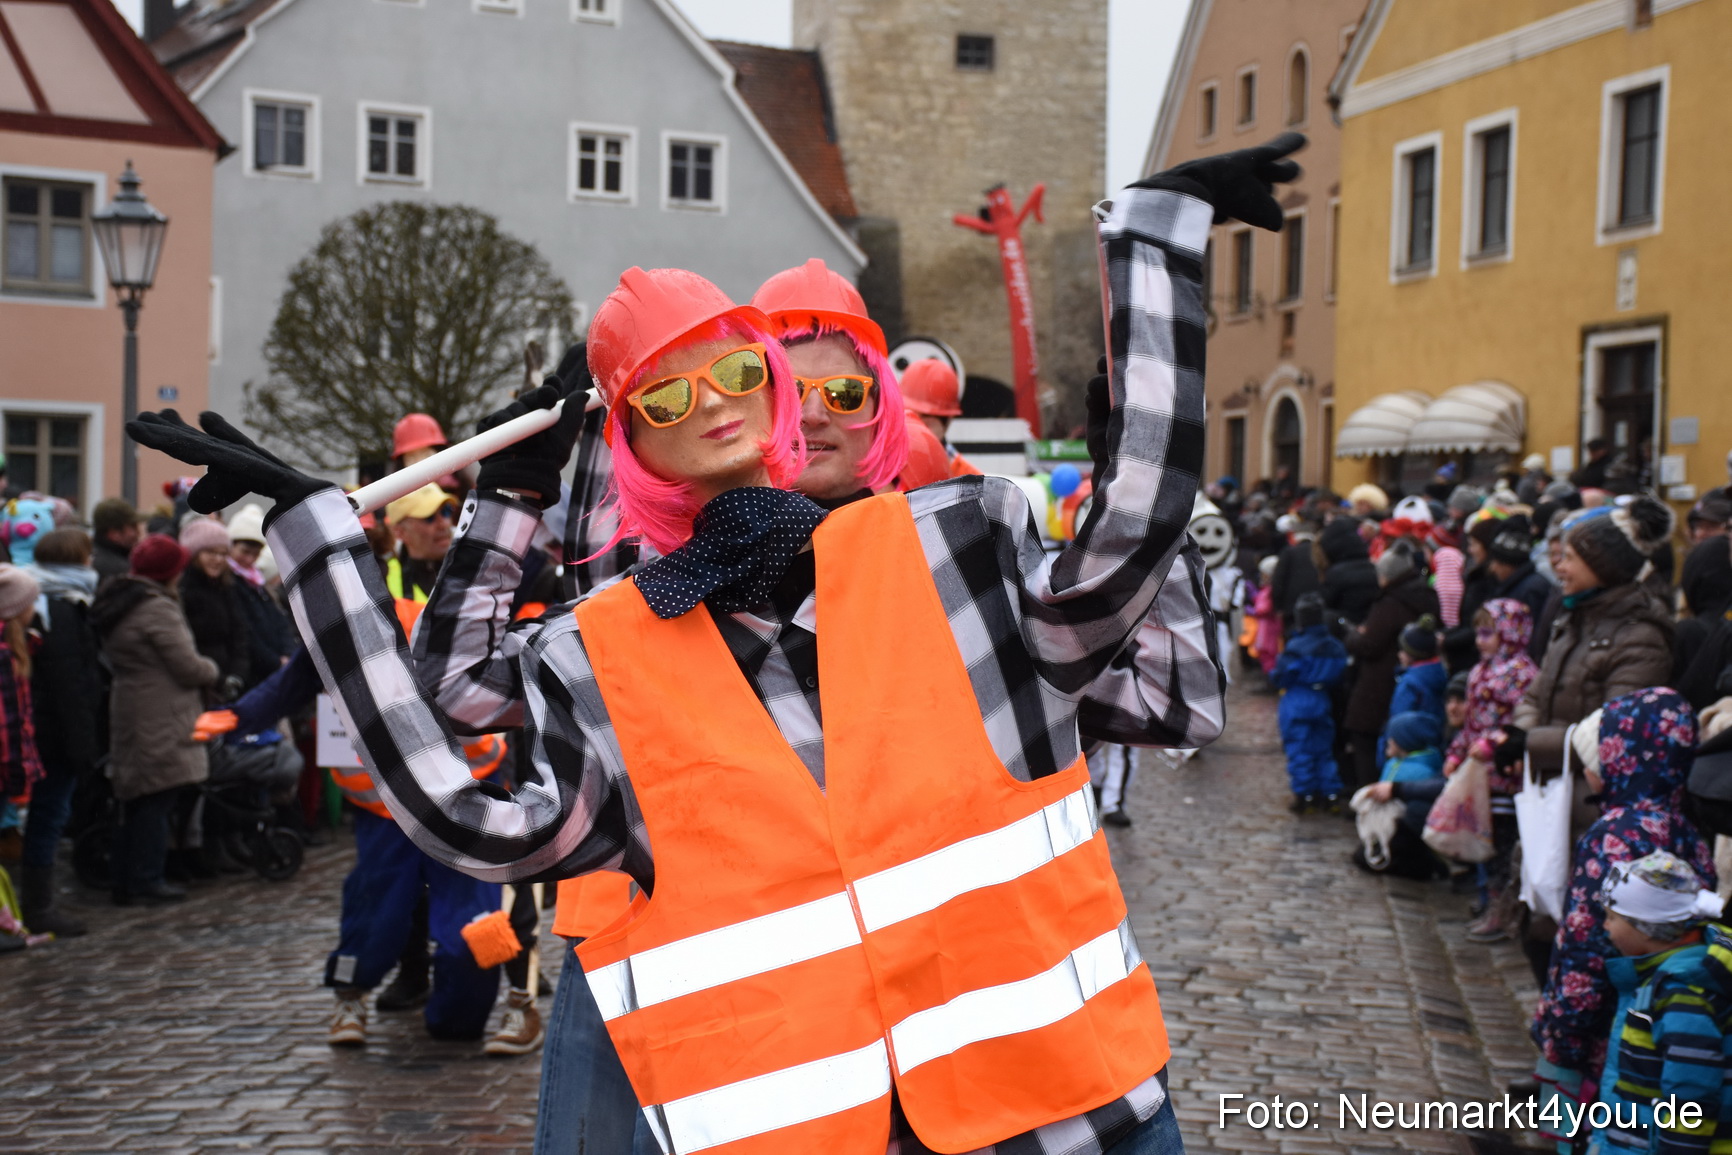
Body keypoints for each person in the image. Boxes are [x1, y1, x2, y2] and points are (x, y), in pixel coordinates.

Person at [129, 131, 1305, 1155]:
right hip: (763, 1098)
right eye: (668, 399)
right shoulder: (614, 633)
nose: (733, 407)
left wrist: (1149, 262)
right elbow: (466, 762)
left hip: (1060, 1102)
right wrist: (363, 538)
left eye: (746, 376)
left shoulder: (966, 545)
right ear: (632, 444)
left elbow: (1155, 638)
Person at [1531, 689, 1715, 1154]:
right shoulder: (1687, 831)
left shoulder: (1612, 835)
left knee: (1583, 1132)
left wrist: (1563, 1033)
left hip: (1602, 1033)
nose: (1589, 773)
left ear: (1622, 761)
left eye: (1597, 760)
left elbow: (1585, 946)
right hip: (1660, 1024)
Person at [89, 535, 220, 905]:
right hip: (162, 711)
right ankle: (147, 878)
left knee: (136, 799)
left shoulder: (121, 598)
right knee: (156, 799)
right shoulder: (155, 608)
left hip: (133, 706)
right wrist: (212, 669)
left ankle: (126, 878)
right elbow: (188, 665)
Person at [1588, 850, 1731, 1155]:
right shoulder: (1662, 979)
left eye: (1613, 917)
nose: (1605, 926)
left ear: (1650, 928)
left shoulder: (1682, 993)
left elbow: (1691, 1093)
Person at [20, 530, 101, 938]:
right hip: (55, 736)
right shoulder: (62, 607)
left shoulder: (38, 597)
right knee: (48, 816)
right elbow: (69, 684)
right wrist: (83, 747)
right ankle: (38, 906)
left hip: (42, 730)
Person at [1343, 541, 1441, 791]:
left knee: (1367, 739)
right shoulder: (1425, 595)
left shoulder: (1390, 603)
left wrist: (1353, 635)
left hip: (1378, 683)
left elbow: (1369, 644)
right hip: (1401, 676)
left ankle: (1370, 795)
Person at [1273, 592, 1348, 813]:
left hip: (1298, 699)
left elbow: (1281, 675)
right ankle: (1330, 793)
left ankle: (1305, 795)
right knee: (1323, 749)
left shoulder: (1296, 646)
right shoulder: (1333, 645)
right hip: (1322, 698)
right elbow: (1341, 671)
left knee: (1299, 749)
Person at [1356, 711, 1446, 879]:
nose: (1388, 740)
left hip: (1403, 828)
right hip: (1393, 823)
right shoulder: (1396, 763)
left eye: (1393, 737)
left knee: (1366, 858)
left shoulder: (1418, 771)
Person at [1379, 618, 1447, 771]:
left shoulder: (1410, 682)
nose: (1399, 654)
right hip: (1431, 749)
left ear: (1413, 654)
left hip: (1406, 750)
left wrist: (1386, 751)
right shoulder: (1441, 674)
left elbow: (1399, 715)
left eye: (1403, 651)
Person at [899, 358, 982, 477]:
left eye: (925, 424)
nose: (916, 432)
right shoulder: (880, 467)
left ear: (948, 420)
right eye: (909, 419)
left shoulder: (969, 483)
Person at [1317, 515, 1378, 626]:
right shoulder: (1373, 567)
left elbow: (1325, 604)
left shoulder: (1336, 574)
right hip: (1372, 630)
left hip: (1344, 629)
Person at [90, 497, 143, 590]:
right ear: (114, 534)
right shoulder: (121, 573)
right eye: (133, 527)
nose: (138, 533)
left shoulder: (87, 557)